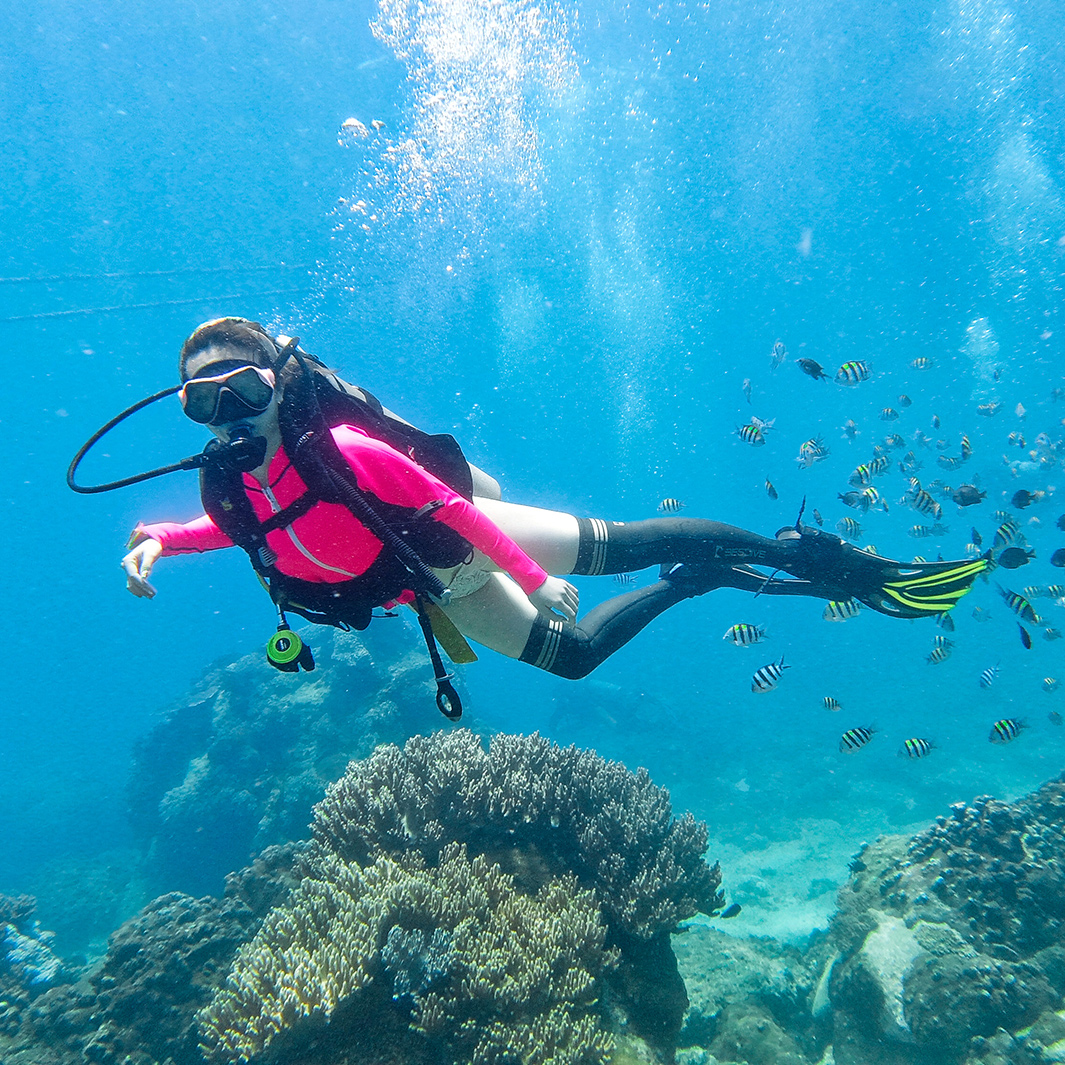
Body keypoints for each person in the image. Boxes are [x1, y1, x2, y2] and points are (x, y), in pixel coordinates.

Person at [122, 318, 986, 681]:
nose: (225, 412)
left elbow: (457, 512)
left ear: (276, 384)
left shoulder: (343, 449)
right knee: (569, 661)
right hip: (427, 588)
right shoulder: (231, 482)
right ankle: (700, 581)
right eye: (203, 402)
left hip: (464, 544)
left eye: (239, 389)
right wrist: (162, 537)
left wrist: (530, 576)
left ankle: (788, 550)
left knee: (625, 541)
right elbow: (247, 529)